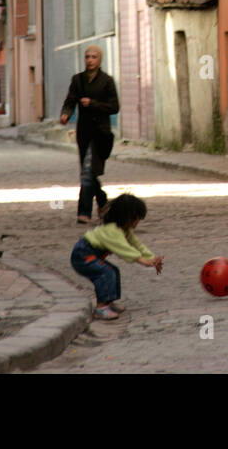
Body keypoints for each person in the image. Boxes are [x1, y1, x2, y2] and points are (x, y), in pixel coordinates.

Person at [70, 194, 163, 320]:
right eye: (136, 219)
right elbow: (125, 249)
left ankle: (109, 302)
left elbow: (136, 244)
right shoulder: (111, 231)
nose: (137, 223)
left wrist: (152, 258)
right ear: (127, 217)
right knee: (105, 272)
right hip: (83, 256)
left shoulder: (124, 229)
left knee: (113, 271)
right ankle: (101, 307)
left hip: (91, 256)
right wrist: (144, 262)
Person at [60, 45, 120, 223]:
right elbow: (70, 101)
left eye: (94, 57)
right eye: (87, 57)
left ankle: (83, 212)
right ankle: (102, 202)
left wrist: (92, 103)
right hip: (84, 133)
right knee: (89, 172)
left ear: (99, 59)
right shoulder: (78, 80)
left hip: (101, 133)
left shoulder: (107, 81)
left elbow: (114, 107)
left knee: (87, 172)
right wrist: (66, 113)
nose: (90, 60)